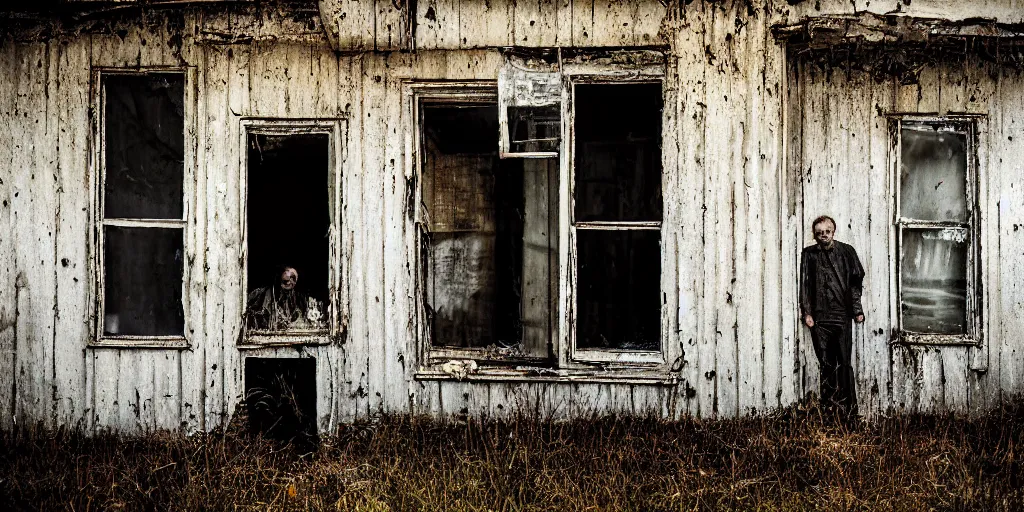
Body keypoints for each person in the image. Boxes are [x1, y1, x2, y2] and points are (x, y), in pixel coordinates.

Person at [799, 215, 865, 420]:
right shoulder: (808, 255)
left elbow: (855, 283)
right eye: (819, 233)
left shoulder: (847, 252)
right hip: (820, 319)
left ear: (833, 231)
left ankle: (850, 414)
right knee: (826, 364)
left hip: (842, 317)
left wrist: (857, 310)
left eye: (827, 231)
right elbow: (805, 285)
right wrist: (807, 312)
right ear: (815, 235)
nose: (823, 236)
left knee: (844, 364)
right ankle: (828, 413)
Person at [245, 265, 324, 331]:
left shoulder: (300, 299)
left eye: (292, 280)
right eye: (286, 281)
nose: (289, 283)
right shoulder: (260, 295)